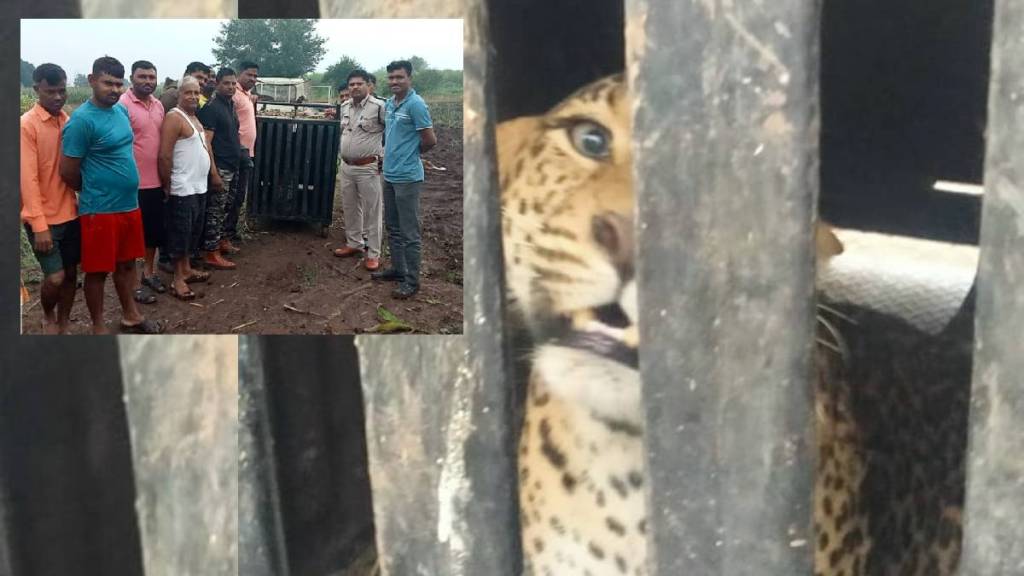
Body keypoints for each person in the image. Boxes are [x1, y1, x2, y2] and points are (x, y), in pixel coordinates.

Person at [60, 56, 161, 334]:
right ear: (92, 81)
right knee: (96, 271)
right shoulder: (81, 121)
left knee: (127, 265)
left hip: (129, 205)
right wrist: (96, 187)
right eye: (108, 83)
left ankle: (130, 315)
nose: (115, 89)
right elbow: (68, 171)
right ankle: (98, 327)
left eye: (119, 84)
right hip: (100, 210)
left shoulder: (120, 112)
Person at [20, 63, 80, 334]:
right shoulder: (27, 125)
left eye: (62, 91)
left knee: (70, 275)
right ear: (36, 90)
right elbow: (27, 178)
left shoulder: (67, 121)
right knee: (54, 278)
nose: (57, 97)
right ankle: (48, 315)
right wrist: (39, 224)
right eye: (50, 91)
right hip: (45, 219)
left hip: (72, 213)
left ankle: (65, 321)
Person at [372, 60, 437, 299]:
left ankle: (412, 281)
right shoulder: (390, 104)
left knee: (410, 233)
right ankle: (399, 270)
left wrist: (411, 156)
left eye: (399, 77)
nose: (394, 82)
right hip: (389, 174)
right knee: (393, 227)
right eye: (391, 78)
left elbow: (430, 140)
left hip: (408, 178)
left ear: (410, 78)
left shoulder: (416, 105)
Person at [158, 76, 215, 300]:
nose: (192, 96)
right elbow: (164, 155)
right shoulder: (174, 117)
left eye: (196, 92)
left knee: (192, 233)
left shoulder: (194, 118)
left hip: (198, 187)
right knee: (179, 235)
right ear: (179, 94)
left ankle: (187, 269)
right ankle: (177, 280)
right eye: (187, 92)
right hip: (182, 187)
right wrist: (167, 185)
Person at [119, 60, 166, 301]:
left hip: (156, 182)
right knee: (132, 238)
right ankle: (134, 283)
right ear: (132, 77)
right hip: (132, 184)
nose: (148, 81)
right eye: (142, 77)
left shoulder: (158, 105)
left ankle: (149, 272)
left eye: (151, 77)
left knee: (153, 233)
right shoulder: (122, 105)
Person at [332, 69, 386, 271]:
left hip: (368, 167)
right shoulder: (345, 106)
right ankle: (354, 243)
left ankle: (373, 254)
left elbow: (392, 133)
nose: (354, 87)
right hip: (347, 166)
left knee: (372, 211)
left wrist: (384, 157)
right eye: (351, 84)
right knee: (350, 206)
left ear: (368, 86)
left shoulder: (379, 107)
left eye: (359, 84)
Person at [196, 67, 241, 270]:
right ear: (217, 84)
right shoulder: (212, 108)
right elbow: (207, 144)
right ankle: (210, 252)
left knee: (226, 208)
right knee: (214, 210)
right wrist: (213, 173)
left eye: (233, 83)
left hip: (233, 165)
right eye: (226, 83)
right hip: (220, 167)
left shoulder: (230, 105)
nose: (231, 87)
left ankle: (221, 241)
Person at [225, 60, 259, 250]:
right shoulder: (234, 95)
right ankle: (225, 236)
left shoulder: (245, 95)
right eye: (249, 74)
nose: (252, 79)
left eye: (255, 76)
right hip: (237, 152)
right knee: (232, 195)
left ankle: (230, 232)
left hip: (247, 151)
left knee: (239, 196)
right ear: (240, 73)